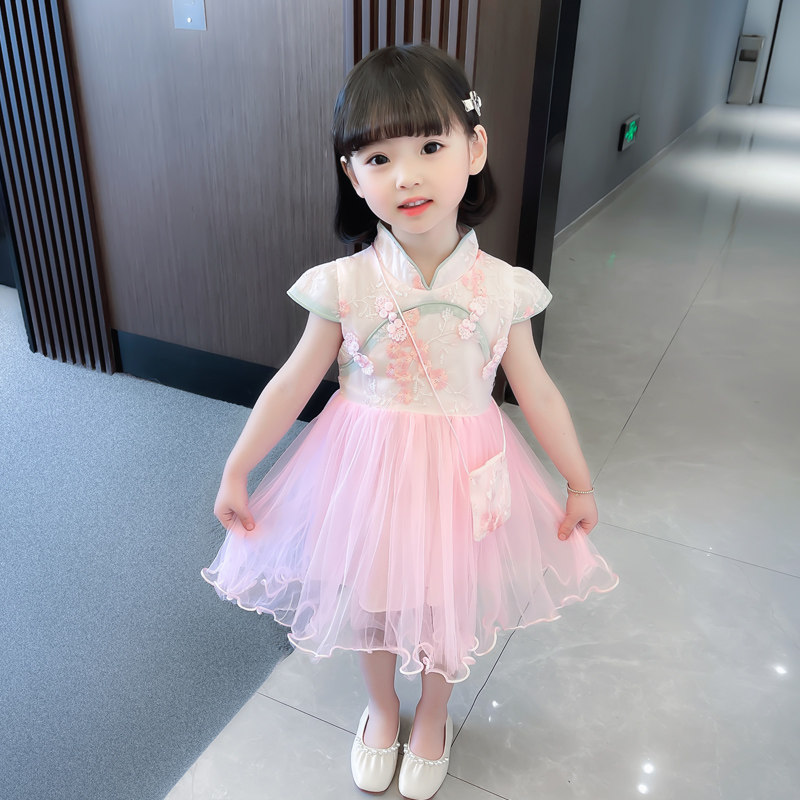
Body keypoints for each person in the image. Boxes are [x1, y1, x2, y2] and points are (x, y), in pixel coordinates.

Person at [202, 43, 618, 800]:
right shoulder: (345, 284)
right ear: (352, 176)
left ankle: (433, 711)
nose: (407, 176)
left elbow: (538, 392)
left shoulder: (503, 289)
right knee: (373, 594)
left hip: (463, 473)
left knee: (444, 599)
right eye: (379, 158)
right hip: (367, 470)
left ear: (474, 148)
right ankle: (382, 707)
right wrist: (238, 467)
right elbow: (294, 383)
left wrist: (579, 481)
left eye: (430, 146)